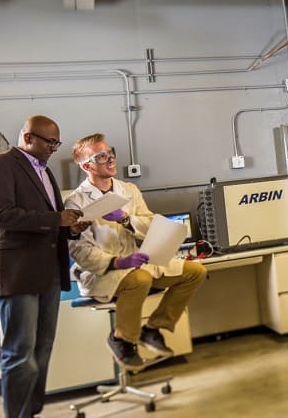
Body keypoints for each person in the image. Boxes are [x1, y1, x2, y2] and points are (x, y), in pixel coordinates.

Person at [0, 115, 89, 418]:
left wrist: (69, 224)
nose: (53, 150)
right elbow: (0, 215)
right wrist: (54, 219)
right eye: (48, 143)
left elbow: (47, 217)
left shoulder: (43, 170)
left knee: (41, 350)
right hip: (16, 274)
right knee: (19, 355)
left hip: (46, 273)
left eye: (57, 144)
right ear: (27, 137)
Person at [65, 134, 206, 371]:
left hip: (139, 264)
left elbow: (151, 226)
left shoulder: (128, 190)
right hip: (104, 273)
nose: (110, 159)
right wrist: (119, 262)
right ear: (86, 166)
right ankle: (122, 339)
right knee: (140, 279)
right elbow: (79, 250)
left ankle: (152, 329)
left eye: (111, 153)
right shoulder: (75, 201)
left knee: (195, 271)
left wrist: (126, 219)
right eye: (101, 156)